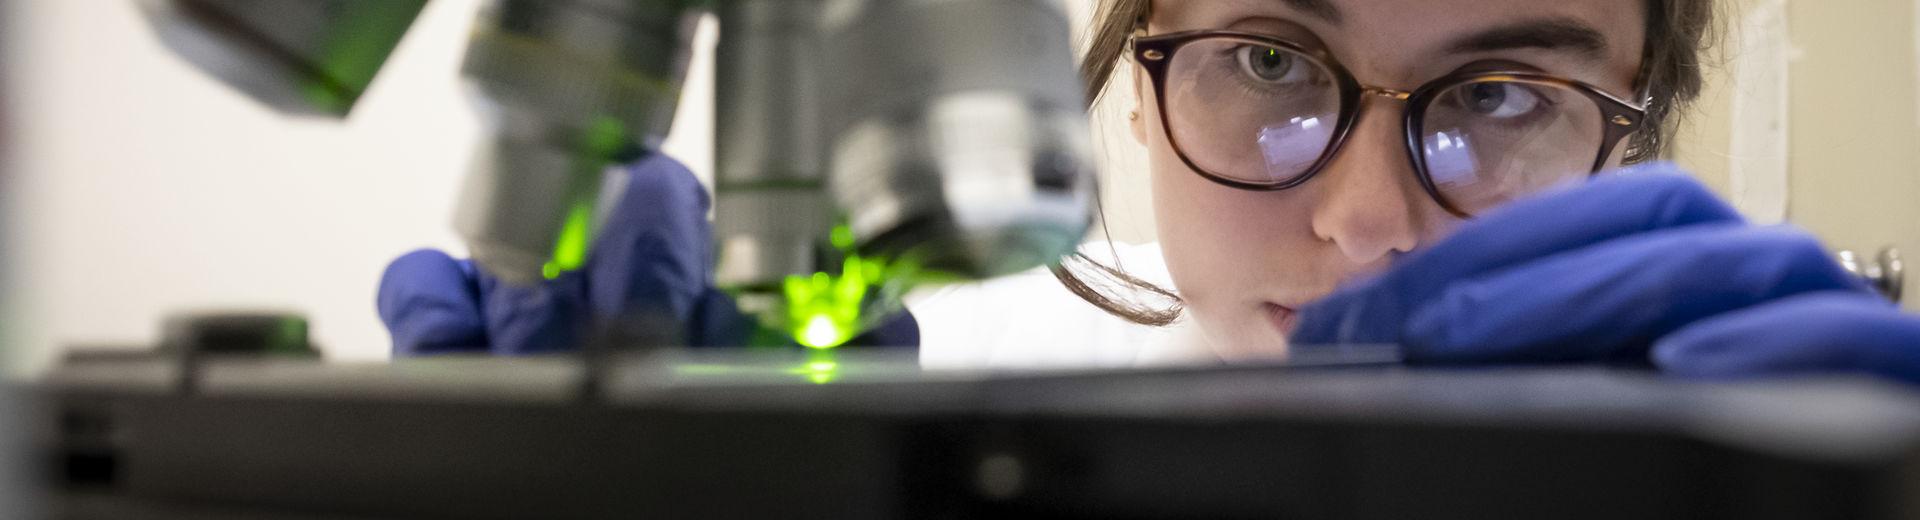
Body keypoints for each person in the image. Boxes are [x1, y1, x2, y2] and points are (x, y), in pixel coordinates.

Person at [379, 0, 1920, 383]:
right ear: (1129, 74)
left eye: (1502, 96)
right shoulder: (942, 415)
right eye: (1267, 63)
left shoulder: (1734, 446)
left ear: (1635, 138)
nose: (1368, 222)